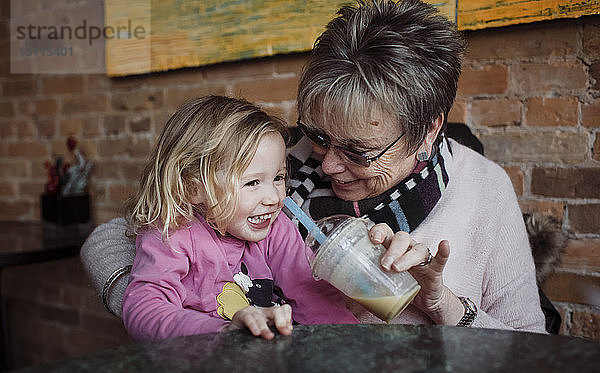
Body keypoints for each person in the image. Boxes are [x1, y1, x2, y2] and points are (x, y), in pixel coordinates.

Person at [81, 0, 546, 334]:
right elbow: (122, 234)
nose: (328, 162)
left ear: (427, 130)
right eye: (319, 135)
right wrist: (187, 320)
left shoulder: (483, 190)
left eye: (359, 151)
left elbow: (528, 349)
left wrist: (443, 304)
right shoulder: (280, 159)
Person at [120, 96, 357, 342]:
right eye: (253, 182)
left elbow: (311, 295)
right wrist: (225, 332)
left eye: (278, 178)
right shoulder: (172, 233)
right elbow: (143, 310)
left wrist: (352, 344)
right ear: (193, 188)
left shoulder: (276, 228)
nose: (274, 198)